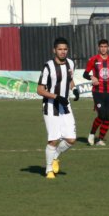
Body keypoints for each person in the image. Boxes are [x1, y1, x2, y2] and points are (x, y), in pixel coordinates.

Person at [37, 37, 80, 179]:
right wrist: (56, 97)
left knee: (71, 139)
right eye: (60, 49)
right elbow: (40, 90)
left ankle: (55, 156)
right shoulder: (48, 66)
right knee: (53, 140)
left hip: (65, 106)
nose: (63, 52)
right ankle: (49, 170)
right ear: (54, 50)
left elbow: (69, 79)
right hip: (51, 107)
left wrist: (75, 89)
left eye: (65, 49)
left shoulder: (71, 64)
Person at [82, 38, 109, 147]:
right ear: (98, 48)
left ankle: (100, 139)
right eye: (101, 47)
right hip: (97, 92)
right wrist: (91, 77)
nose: (103, 49)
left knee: (108, 117)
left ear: (108, 48)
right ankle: (91, 134)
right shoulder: (93, 60)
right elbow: (85, 74)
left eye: (105, 47)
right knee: (101, 114)